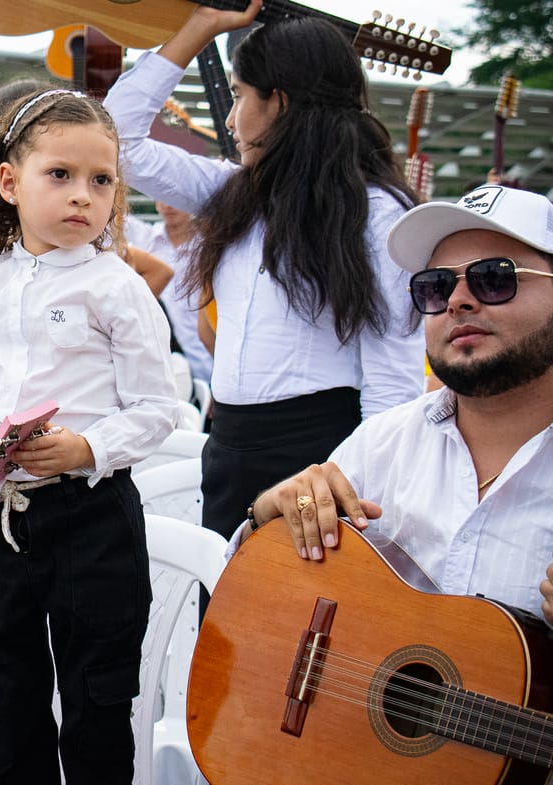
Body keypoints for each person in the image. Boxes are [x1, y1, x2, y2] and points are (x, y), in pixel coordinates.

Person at [0, 87, 179, 785]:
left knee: (97, 701)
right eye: (60, 174)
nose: (83, 195)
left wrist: (86, 448)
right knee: (8, 698)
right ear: (9, 182)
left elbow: (158, 408)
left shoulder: (118, 287)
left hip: (94, 520)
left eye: (102, 180)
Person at [103, 2, 425, 543]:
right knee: (220, 596)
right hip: (227, 444)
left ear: (279, 101)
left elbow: (393, 380)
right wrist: (201, 26)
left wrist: (361, 488)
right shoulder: (231, 191)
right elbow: (116, 138)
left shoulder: (375, 212)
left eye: (238, 96)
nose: (230, 120)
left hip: (323, 457)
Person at [243, 184, 553, 627]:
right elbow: (254, 602)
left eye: (494, 277)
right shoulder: (383, 443)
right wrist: (266, 518)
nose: (457, 301)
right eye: (435, 287)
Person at [126, 202, 213, 384]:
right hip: (159, 351)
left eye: (175, 200)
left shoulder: (207, 245)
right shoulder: (145, 237)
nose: (168, 206)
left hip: (200, 351)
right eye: (162, 198)